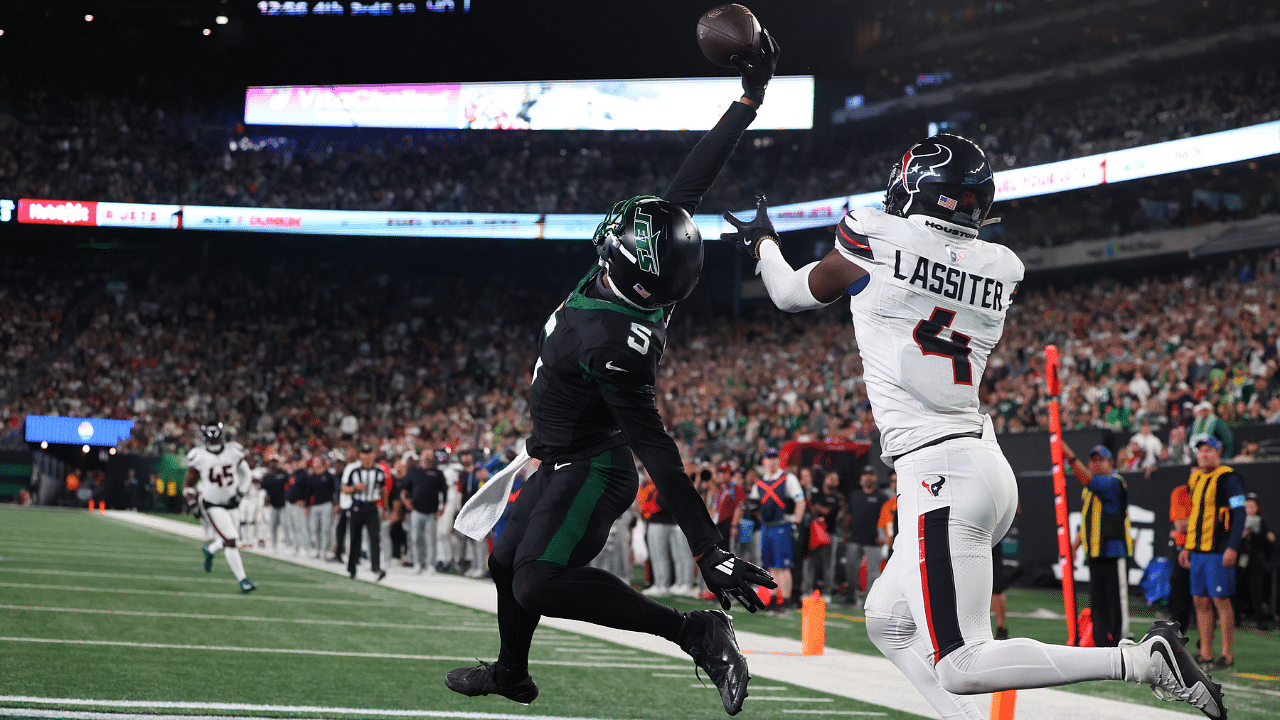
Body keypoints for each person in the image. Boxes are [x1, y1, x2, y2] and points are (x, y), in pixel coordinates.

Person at [724, 133, 1225, 719]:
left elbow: (788, 293)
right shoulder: (1000, 266)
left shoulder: (877, 235)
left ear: (916, 190)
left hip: (938, 473)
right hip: (980, 466)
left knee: (960, 662)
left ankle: (1142, 660)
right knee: (887, 620)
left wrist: (761, 242)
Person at [445, 36, 779, 717]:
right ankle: (512, 673)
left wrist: (709, 549)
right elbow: (688, 188)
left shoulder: (609, 338)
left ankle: (694, 631)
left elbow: (657, 449)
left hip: (593, 465)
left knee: (537, 583)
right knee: (504, 561)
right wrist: (747, 101)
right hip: (554, 455)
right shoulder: (641, 284)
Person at [1180, 436, 1247, 673]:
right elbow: (1196, 516)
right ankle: (1206, 653)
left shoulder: (1229, 479)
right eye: (1201, 451)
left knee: (1221, 601)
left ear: (1219, 453)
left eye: (1209, 450)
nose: (1204, 455)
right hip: (1198, 550)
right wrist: (1188, 546)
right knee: (1200, 601)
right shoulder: (1197, 479)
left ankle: (1227, 656)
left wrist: (1233, 546)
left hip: (1219, 549)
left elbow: (1240, 513)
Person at [1063, 443, 1133, 647]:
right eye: (1092, 460)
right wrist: (1074, 548)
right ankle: (1101, 640)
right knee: (1097, 601)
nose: (1094, 464)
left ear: (1110, 463)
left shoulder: (1114, 482)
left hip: (1113, 551)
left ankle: (1120, 638)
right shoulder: (1090, 490)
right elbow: (1085, 523)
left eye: (1100, 460)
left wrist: (1069, 455)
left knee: (1116, 600)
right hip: (1094, 553)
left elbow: (1087, 479)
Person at [181, 420, 256, 593]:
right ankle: (243, 580)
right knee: (230, 539)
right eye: (211, 439)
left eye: (216, 439)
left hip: (232, 503)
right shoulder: (198, 455)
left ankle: (210, 549)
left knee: (229, 538)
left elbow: (246, 474)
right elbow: (188, 485)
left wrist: (240, 493)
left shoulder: (233, 451)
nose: (214, 442)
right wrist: (192, 503)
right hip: (212, 504)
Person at [749, 447, 804, 612]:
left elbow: (800, 500)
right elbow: (752, 503)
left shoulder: (788, 478)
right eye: (769, 458)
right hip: (767, 527)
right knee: (770, 565)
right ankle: (773, 598)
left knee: (783, 566)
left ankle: (785, 600)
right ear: (764, 461)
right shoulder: (760, 483)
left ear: (779, 461)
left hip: (782, 526)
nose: (772, 461)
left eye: (775, 458)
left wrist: (797, 522)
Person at [342, 442, 388, 582]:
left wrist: (385, 508)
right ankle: (352, 568)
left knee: (375, 537)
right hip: (357, 506)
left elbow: (383, 490)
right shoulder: (354, 471)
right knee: (355, 538)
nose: (367, 457)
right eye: (364, 454)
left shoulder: (379, 471)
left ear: (373, 455)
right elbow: (344, 489)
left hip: (372, 507)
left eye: (369, 454)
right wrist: (355, 488)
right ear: (360, 455)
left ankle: (376, 568)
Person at [842, 467, 885, 607]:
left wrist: (882, 536)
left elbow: (885, 518)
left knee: (873, 573)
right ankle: (850, 597)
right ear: (861, 478)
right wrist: (845, 534)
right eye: (865, 474)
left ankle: (870, 600)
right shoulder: (855, 496)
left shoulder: (882, 497)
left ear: (876, 478)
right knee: (850, 569)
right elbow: (849, 517)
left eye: (871, 474)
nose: (868, 477)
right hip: (855, 538)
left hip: (873, 540)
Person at [402, 448, 449, 574]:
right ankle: (417, 563)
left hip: (431, 511)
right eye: (425, 455)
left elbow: (444, 491)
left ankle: (430, 564)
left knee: (431, 539)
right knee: (416, 538)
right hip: (416, 509)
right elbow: (404, 489)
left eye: (429, 455)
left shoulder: (437, 473)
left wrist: (443, 506)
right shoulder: (414, 472)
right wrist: (406, 501)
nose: (427, 457)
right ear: (421, 457)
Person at [804, 469, 844, 600]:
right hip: (814, 532)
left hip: (829, 533)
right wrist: (817, 507)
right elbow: (810, 507)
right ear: (825, 480)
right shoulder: (817, 494)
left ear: (838, 482)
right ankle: (807, 590)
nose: (832, 480)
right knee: (810, 562)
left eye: (835, 478)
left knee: (828, 564)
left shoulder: (839, 497)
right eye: (830, 477)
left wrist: (817, 507)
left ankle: (826, 593)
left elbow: (828, 512)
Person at [1238, 492, 1275, 629]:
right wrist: (1243, 535)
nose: (1250, 509)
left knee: (1257, 591)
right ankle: (1237, 619)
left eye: (1253, 506)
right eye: (1247, 506)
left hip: (1256, 562)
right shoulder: (1238, 522)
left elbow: (1266, 546)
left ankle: (1260, 621)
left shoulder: (1262, 524)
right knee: (1238, 589)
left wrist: (1268, 537)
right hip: (1241, 562)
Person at [1168, 479, 1194, 634]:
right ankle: (1175, 636)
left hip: (1208, 551)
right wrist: (1202, 520)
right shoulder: (1180, 492)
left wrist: (1189, 521)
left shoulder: (1216, 490)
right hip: (1184, 548)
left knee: (1206, 599)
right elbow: (1179, 526)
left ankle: (1206, 649)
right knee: (1180, 593)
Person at [308, 456, 337, 560]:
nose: (315, 464)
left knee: (325, 529)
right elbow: (308, 492)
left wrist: (335, 504)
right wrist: (307, 506)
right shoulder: (312, 477)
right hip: (315, 505)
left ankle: (324, 550)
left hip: (326, 504)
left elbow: (335, 491)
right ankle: (317, 549)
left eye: (317, 461)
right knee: (315, 529)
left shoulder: (329, 476)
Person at [260, 457, 288, 551]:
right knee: (273, 525)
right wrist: (266, 498)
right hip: (272, 504)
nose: (273, 464)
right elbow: (264, 489)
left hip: (284, 503)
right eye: (272, 462)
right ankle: (274, 545)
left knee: (285, 525)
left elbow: (289, 485)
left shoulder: (283, 473)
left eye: (275, 462)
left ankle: (286, 544)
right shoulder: (267, 476)